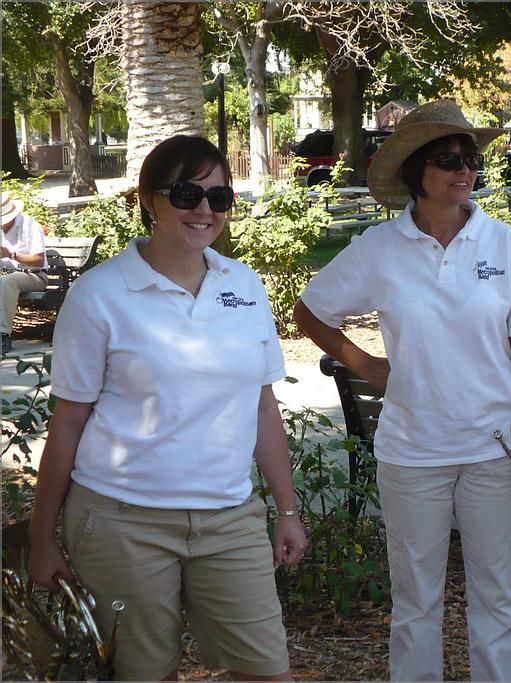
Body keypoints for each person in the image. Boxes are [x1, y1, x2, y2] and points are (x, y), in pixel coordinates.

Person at [293, 99, 511, 682]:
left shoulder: (503, 244)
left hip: (495, 448)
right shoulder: (379, 248)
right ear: (416, 170)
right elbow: (309, 311)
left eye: (470, 158)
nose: (465, 170)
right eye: (448, 159)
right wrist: (367, 365)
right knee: (416, 603)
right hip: (412, 452)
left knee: (499, 598)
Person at [28, 135, 307, 681]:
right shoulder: (100, 294)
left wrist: (288, 510)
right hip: (123, 521)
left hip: (230, 517)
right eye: (186, 193)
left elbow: (261, 405)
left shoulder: (244, 285)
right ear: (148, 200)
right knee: (145, 674)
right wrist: (42, 540)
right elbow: (68, 423)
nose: (204, 209)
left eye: (218, 196)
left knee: (267, 670)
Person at [1, 192, 47, 354]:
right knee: (6, 280)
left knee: (8, 281)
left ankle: (3, 334)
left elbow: (39, 260)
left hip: (34, 276)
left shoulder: (30, 226)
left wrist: (12, 255)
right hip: (6, 274)